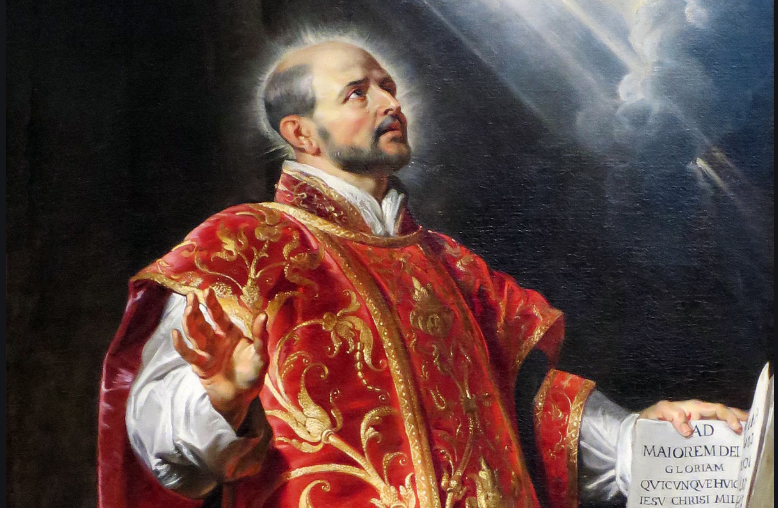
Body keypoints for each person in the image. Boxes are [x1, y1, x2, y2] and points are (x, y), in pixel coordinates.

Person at [97, 40, 747, 508]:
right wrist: (219, 399)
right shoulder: (243, 243)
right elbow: (160, 444)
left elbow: (536, 419)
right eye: (359, 92)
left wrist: (662, 448)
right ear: (302, 133)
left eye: (388, 87)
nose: (390, 102)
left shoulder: (452, 266)